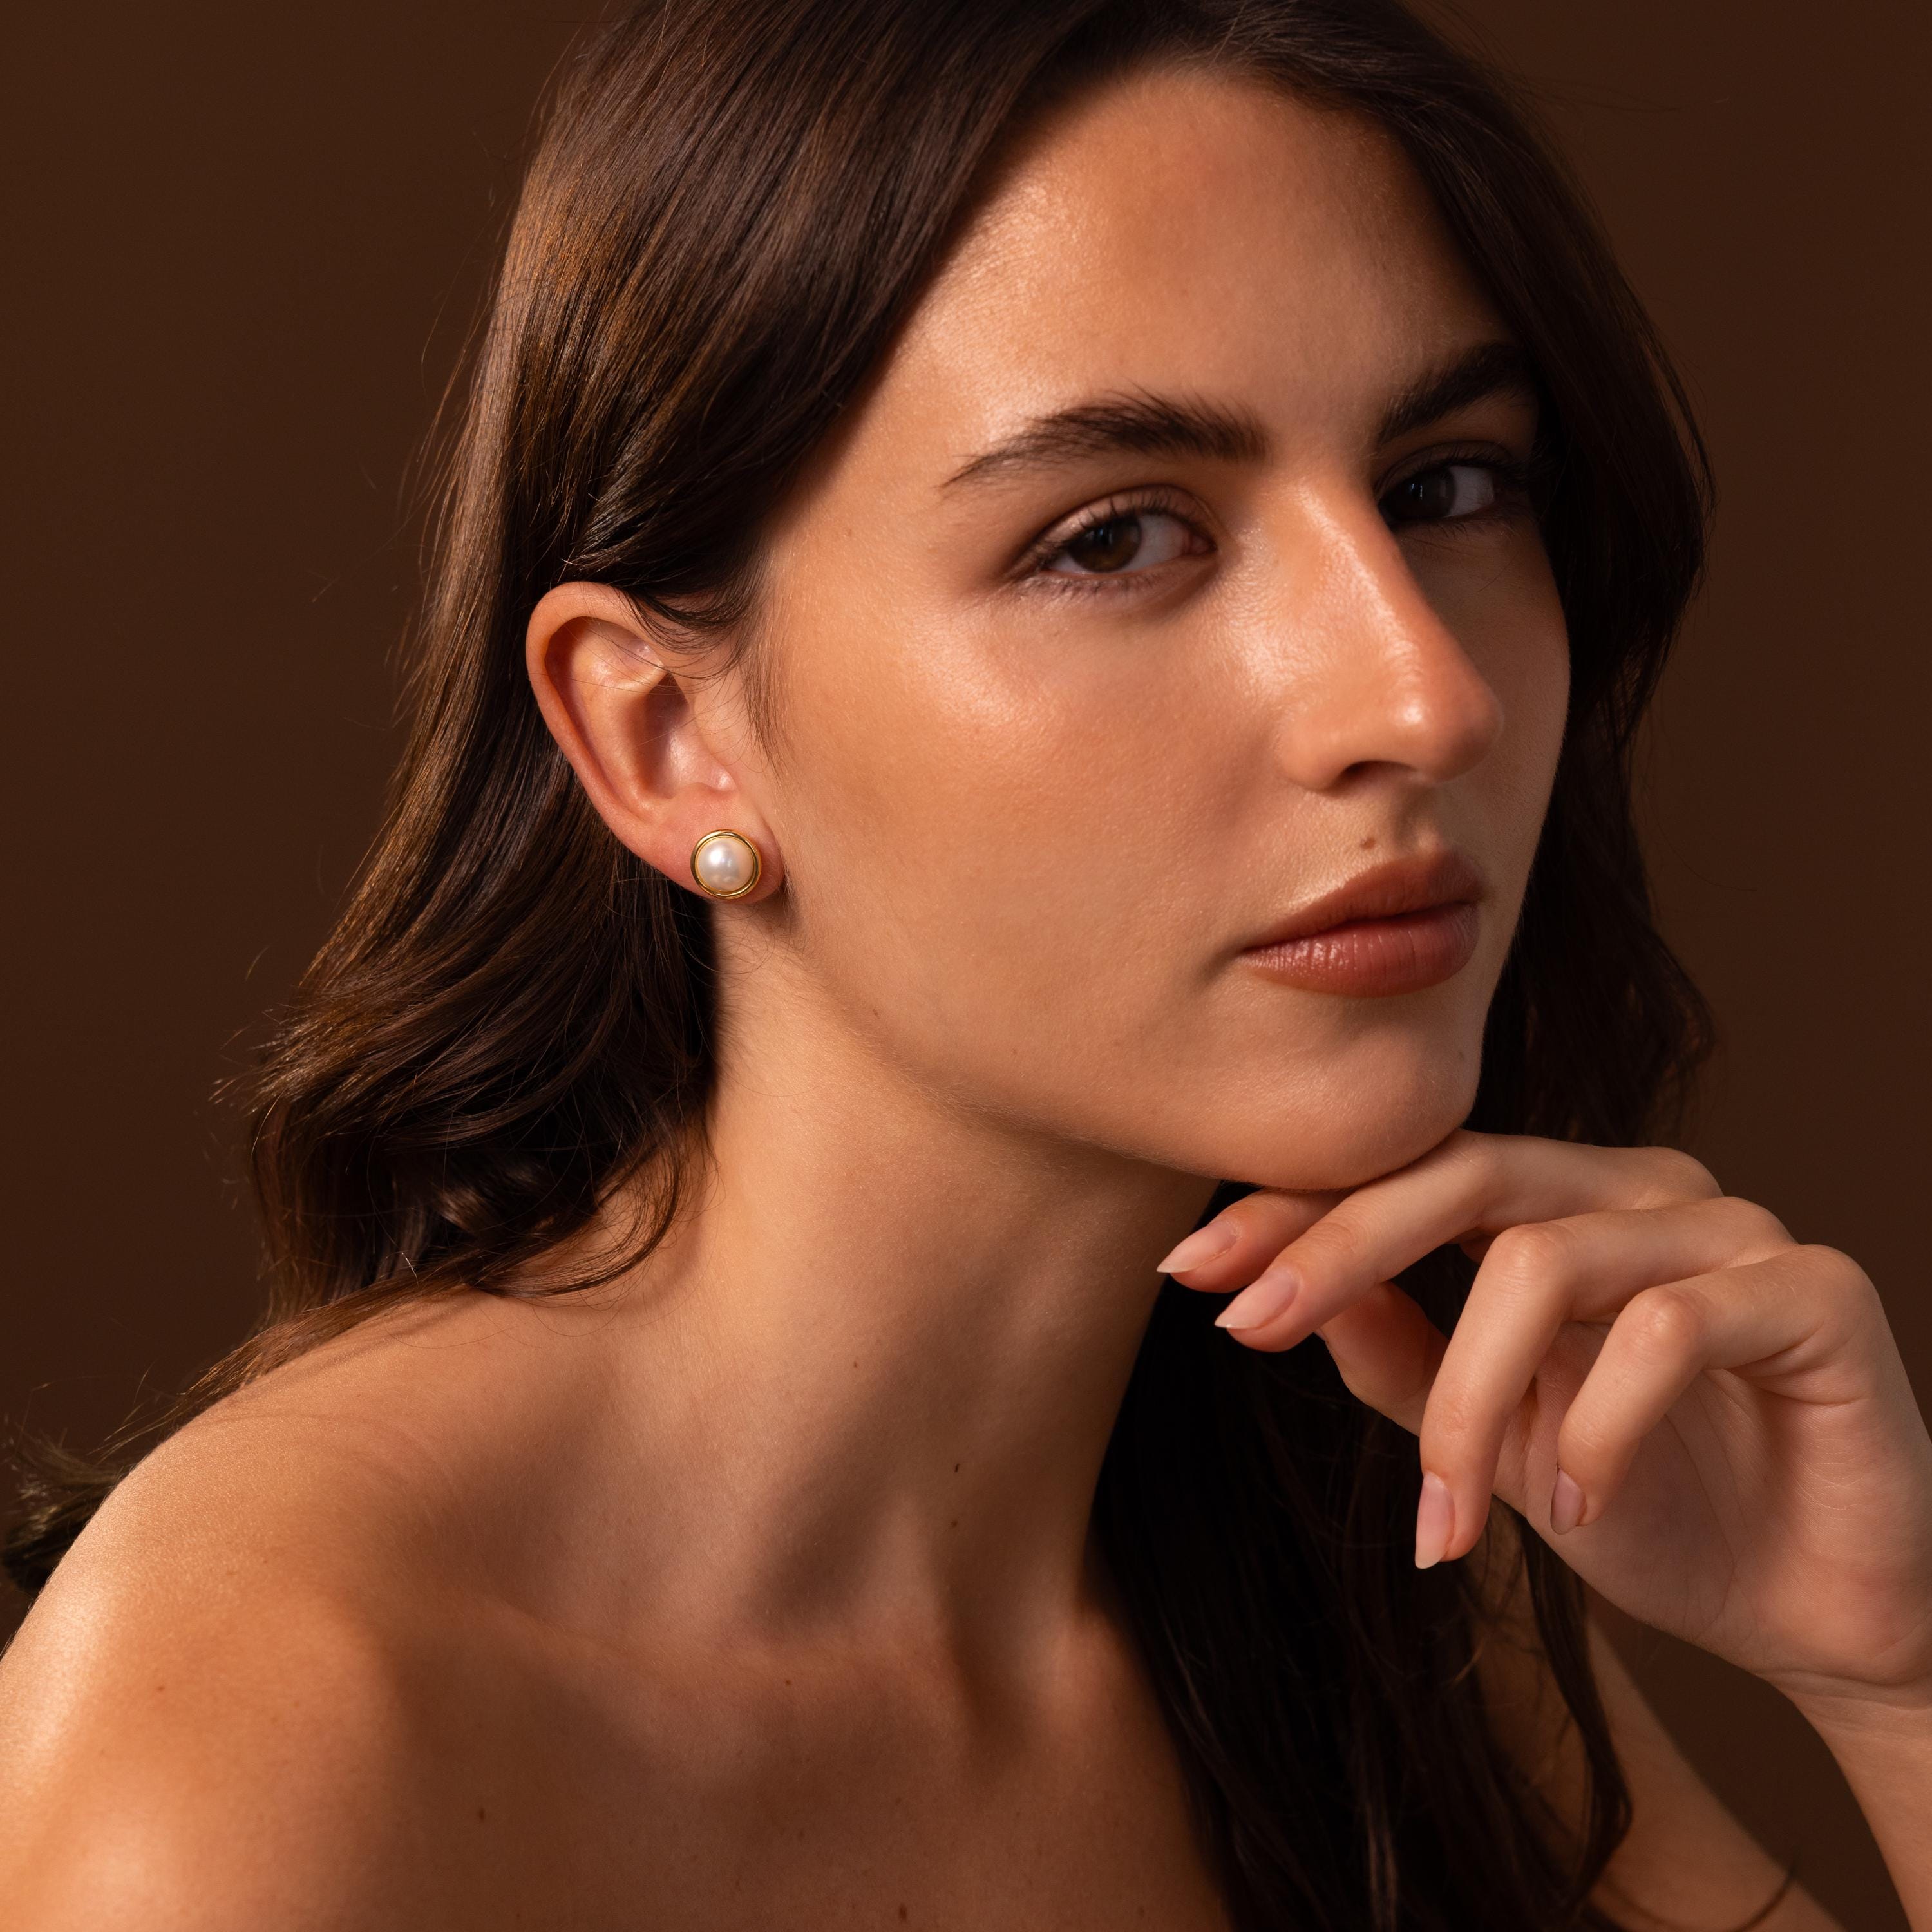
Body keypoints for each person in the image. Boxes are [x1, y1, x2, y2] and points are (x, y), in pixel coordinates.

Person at [3, 1, 1927, 1926]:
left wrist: (1895, 1678)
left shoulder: (1365, 1554)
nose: (1420, 691)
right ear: (669, 740)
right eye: (1115, 537)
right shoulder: (282, 1717)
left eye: (1446, 487)